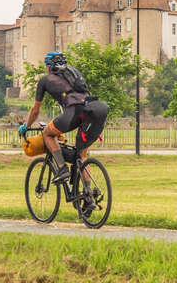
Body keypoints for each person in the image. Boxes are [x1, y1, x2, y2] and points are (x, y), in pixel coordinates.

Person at [18, 52, 109, 185]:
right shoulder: (74, 74)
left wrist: (27, 125)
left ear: (49, 66)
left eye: (46, 66)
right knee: (82, 157)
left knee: (47, 133)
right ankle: (89, 195)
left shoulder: (45, 80)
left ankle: (62, 168)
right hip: (90, 111)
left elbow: (35, 110)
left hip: (73, 112)